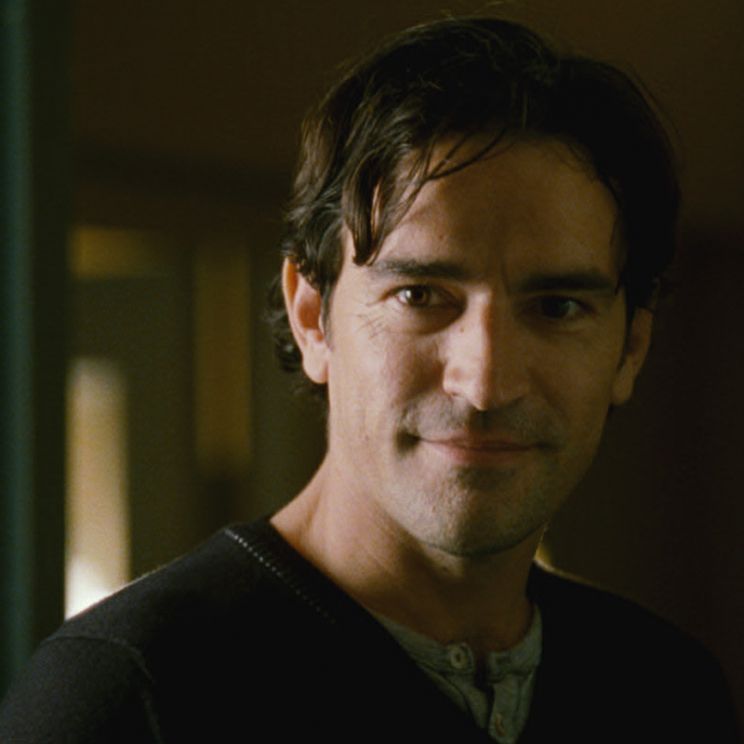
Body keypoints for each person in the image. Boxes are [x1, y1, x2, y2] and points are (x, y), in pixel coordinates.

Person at [0, 16, 739, 744]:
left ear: (631, 348)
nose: (485, 382)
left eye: (557, 307)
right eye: (419, 295)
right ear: (312, 317)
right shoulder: (130, 697)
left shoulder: (666, 690)